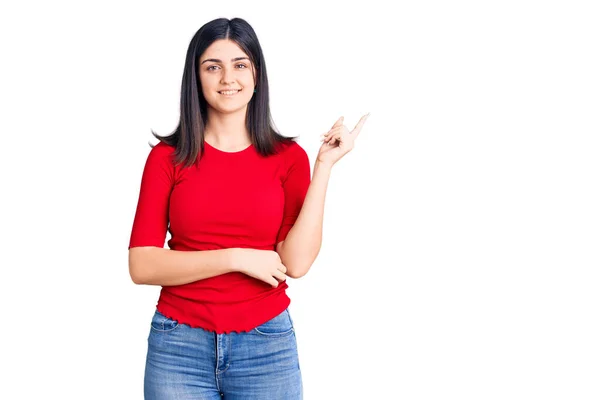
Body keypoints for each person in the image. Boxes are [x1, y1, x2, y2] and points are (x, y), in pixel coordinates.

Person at [128, 17, 369, 399]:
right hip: (178, 346)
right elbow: (141, 265)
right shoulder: (167, 158)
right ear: (196, 76)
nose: (228, 78)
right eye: (213, 66)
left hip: (266, 344)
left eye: (240, 64)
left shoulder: (288, 158)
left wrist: (323, 166)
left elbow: (296, 264)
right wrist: (237, 257)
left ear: (256, 74)